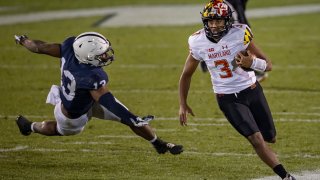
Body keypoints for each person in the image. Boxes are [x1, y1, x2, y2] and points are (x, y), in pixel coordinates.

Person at [14, 32, 183, 155]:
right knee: (59, 129)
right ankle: (30, 127)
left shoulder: (70, 47)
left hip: (87, 99)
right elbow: (109, 102)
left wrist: (24, 40)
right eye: (101, 54)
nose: (105, 55)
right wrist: (131, 117)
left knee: (133, 120)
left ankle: (158, 143)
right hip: (72, 115)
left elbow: (39, 47)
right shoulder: (91, 76)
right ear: (87, 57)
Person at [178, 0, 295, 179]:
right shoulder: (197, 41)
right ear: (205, 21)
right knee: (256, 140)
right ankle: (285, 176)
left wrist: (252, 63)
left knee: (269, 138)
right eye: (210, 21)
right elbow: (186, 74)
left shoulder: (240, 33)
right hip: (227, 98)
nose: (214, 25)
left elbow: (268, 65)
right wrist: (182, 103)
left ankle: (267, 151)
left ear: (227, 20)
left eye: (218, 21)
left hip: (252, 91)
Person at [199, 0, 268, 82]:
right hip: (230, 3)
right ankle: (248, 70)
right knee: (238, 34)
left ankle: (207, 58)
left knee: (239, 34)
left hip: (235, 3)